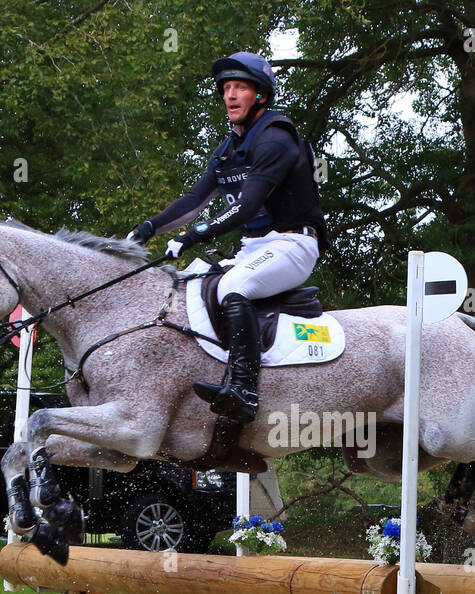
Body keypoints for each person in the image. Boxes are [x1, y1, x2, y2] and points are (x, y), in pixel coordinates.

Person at [128, 50, 328, 423]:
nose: (230, 96)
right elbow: (192, 202)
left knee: (232, 288)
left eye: (240, 88)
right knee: (189, 287)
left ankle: (244, 390)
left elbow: (248, 206)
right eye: (226, 88)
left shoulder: (276, 137)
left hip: (293, 244)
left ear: (261, 96)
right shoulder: (227, 150)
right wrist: (148, 228)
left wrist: (192, 236)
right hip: (255, 248)